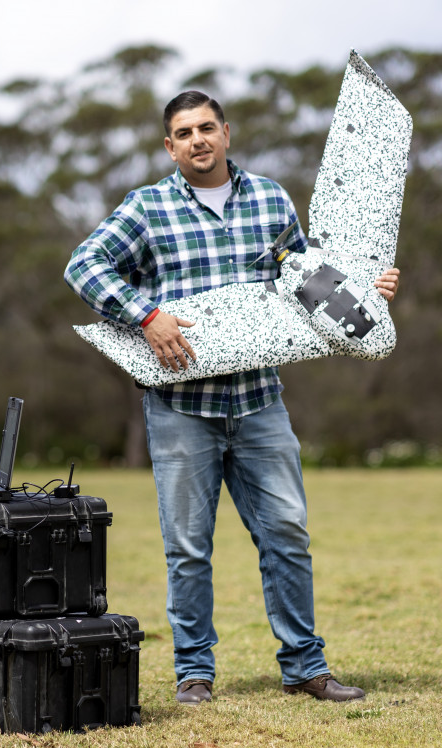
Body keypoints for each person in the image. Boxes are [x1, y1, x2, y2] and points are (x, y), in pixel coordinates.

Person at [64, 91, 400, 705]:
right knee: (188, 549)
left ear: (226, 133)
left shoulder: (271, 199)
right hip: (180, 411)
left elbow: (307, 283)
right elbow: (84, 265)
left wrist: (365, 292)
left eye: (206, 127)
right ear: (170, 147)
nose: (197, 139)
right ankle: (194, 673)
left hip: (259, 403)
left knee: (287, 535)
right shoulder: (147, 208)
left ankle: (306, 667)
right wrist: (146, 316)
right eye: (184, 132)